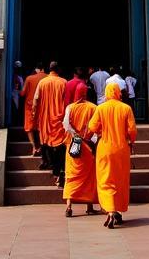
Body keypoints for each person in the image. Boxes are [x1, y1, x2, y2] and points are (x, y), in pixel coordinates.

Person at [87, 81, 137, 228]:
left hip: (104, 148)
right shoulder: (126, 108)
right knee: (120, 180)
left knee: (105, 180)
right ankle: (117, 211)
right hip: (121, 149)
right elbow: (132, 130)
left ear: (107, 93)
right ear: (118, 92)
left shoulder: (101, 108)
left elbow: (92, 127)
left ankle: (110, 211)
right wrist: (130, 141)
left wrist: (101, 132)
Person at [62, 81, 98, 217]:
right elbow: (96, 129)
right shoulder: (94, 107)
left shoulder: (70, 107)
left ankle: (69, 206)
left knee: (71, 176)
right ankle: (89, 206)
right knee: (89, 177)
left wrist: (75, 134)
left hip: (73, 146)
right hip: (88, 147)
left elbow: (66, 125)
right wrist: (90, 139)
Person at [33, 61, 68, 186]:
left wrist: (34, 114)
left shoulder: (42, 82)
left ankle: (53, 167)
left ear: (49, 70)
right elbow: (67, 102)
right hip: (60, 118)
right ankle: (59, 170)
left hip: (46, 118)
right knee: (60, 145)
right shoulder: (64, 82)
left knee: (47, 142)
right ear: (58, 70)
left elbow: (36, 100)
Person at [20, 62, 46, 157]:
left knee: (29, 127)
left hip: (30, 106)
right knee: (41, 127)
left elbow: (22, 93)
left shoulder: (29, 78)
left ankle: (34, 147)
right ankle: (41, 147)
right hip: (42, 106)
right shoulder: (47, 78)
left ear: (36, 69)